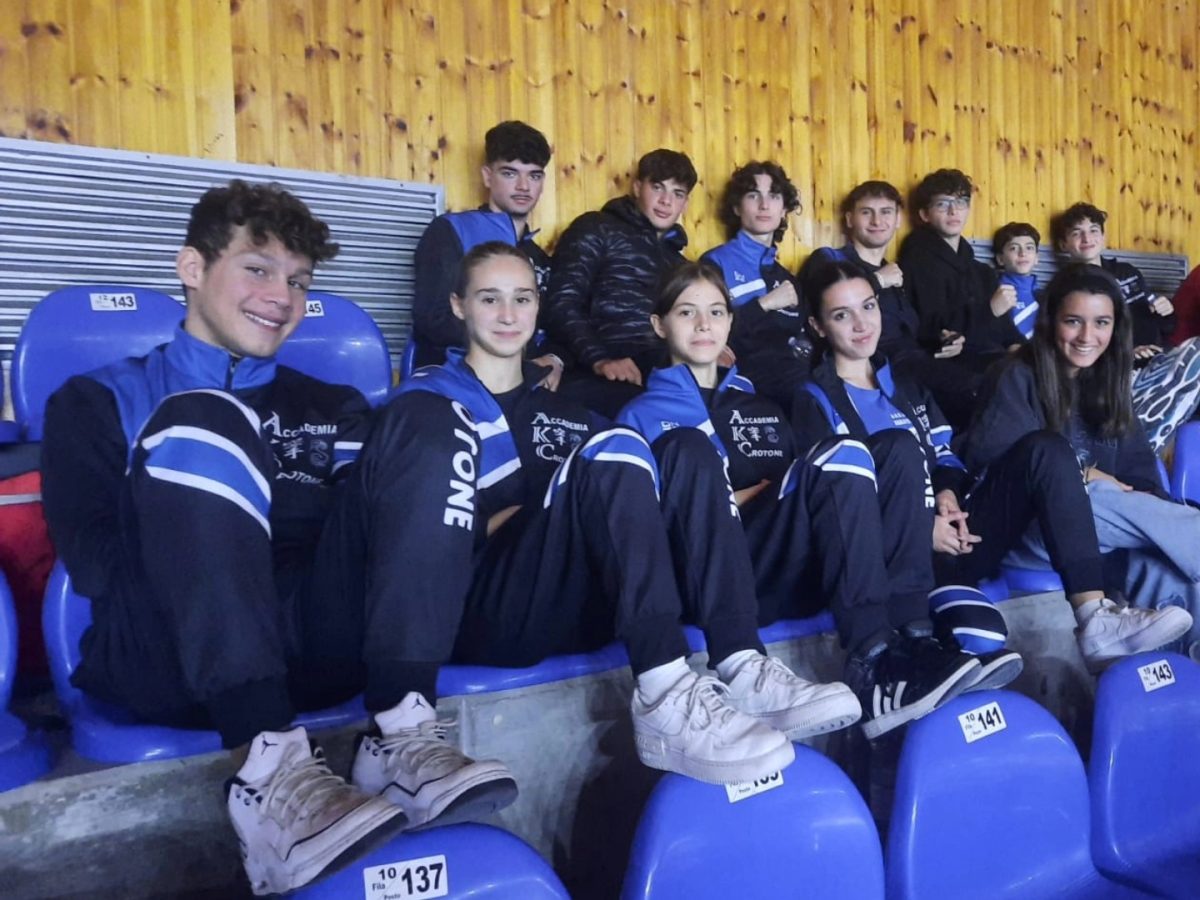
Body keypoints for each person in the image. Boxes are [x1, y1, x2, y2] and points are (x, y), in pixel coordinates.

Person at [42, 181, 415, 895]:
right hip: (167, 659)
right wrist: (215, 534)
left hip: (310, 651)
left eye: (298, 280)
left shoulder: (332, 405)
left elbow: (365, 545)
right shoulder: (96, 401)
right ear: (192, 268)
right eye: (258, 268)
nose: (282, 296)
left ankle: (406, 741)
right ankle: (271, 783)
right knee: (205, 419)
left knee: (418, 430)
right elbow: (95, 562)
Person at [382, 241, 862, 783]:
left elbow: (630, 521)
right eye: (490, 299)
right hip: (486, 610)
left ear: (539, 306)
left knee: (663, 449)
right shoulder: (424, 404)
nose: (509, 314)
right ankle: (664, 690)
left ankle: (730, 669)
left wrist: (565, 508)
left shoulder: (573, 415)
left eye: (522, 298)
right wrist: (554, 509)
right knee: (622, 450)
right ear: (457, 305)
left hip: (584, 606)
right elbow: (418, 533)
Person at [616, 262, 983, 740]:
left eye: (716, 312)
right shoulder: (638, 414)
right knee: (831, 456)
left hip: (776, 570)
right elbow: (649, 527)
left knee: (881, 447)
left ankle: (903, 646)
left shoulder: (763, 408)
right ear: (659, 324)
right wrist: (751, 492)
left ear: (730, 321)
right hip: (703, 582)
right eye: (687, 312)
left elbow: (803, 494)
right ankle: (871, 659)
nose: (704, 324)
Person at [791, 260, 1023, 689]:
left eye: (869, 306)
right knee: (972, 637)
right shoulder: (813, 399)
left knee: (986, 636)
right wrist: (921, 527)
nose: (862, 325)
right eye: (842, 315)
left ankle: (934, 662)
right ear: (818, 327)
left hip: (933, 547)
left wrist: (946, 498)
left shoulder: (906, 384)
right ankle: (910, 654)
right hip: (876, 560)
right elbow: (837, 508)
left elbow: (943, 454)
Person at [963, 263, 1199, 662]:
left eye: (1101, 322)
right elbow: (1001, 474)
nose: (1088, 337)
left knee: (1165, 568)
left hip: (1098, 534)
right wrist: (1085, 476)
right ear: (1051, 321)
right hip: (1027, 534)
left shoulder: (1107, 384)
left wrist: (1135, 505)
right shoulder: (1015, 375)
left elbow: (1143, 481)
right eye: (1073, 321)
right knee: (1100, 495)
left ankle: (1182, 674)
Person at [801, 179, 977, 427]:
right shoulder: (830, 260)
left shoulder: (895, 273)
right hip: (873, 367)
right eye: (866, 212)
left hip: (916, 362)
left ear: (897, 220)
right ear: (850, 219)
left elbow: (908, 332)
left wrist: (942, 339)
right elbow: (815, 313)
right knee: (973, 387)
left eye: (886, 212)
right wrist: (877, 281)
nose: (877, 221)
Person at [544, 148, 696, 416]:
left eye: (677, 193)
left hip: (665, 373)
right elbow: (561, 302)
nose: (666, 201)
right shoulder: (596, 227)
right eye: (657, 188)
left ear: (685, 203)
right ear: (637, 187)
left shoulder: (681, 264)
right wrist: (600, 358)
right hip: (598, 371)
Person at [410, 120, 563, 384]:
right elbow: (433, 319)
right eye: (510, 173)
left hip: (522, 379)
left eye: (534, 176)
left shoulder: (538, 257)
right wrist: (510, 352)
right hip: (454, 376)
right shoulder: (450, 231)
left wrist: (555, 359)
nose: (524, 186)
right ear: (487, 176)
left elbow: (553, 326)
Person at [1054, 202, 1200, 453]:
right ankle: (1140, 445)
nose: (1087, 238)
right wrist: (1127, 354)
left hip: (1156, 360)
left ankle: (1143, 435)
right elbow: (1077, 345)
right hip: (1116, 367)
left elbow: (1164, 324)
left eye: (1093, 230)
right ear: (1063, 244)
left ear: (1103, 237)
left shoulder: (1127, 273)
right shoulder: (1066, 288)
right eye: (1077, 233)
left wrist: (1166, 312)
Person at [699, 161, 810, 406]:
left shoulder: (787, 279)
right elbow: (705, 330)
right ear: (737, 208)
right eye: (753, 195)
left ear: (784, 210)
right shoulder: (715, 263)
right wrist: (764, 304)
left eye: (774, 196)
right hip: (741, 386)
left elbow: (801, 342)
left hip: (795, 384)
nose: (764, 205)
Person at [898, 168, 1023, 368]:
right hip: (953, 366)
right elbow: (931, 330)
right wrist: (989, 310)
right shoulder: (916, 263)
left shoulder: (982, 272)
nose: (953, 211)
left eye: (961, 202)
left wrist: (1020, 349)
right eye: (942, 204)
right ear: (925, 214)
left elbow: (1006, 329)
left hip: (996, 359)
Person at [992, 221, 1042, 341]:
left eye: (1029, 248)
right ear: (1000, 259)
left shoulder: (1046, 297)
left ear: (1037, 257)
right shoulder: (992, 293)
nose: (1022, 253)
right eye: (1013, 248)